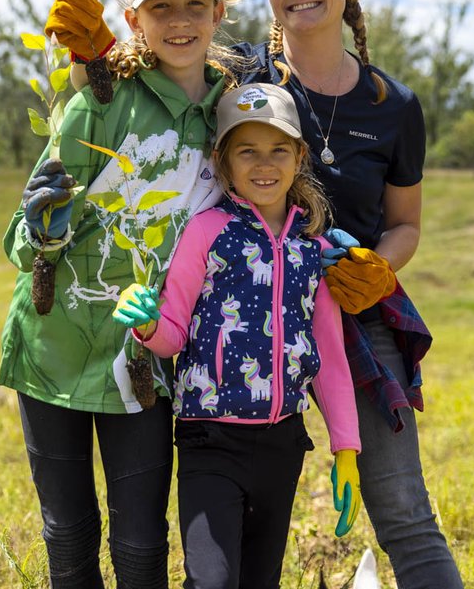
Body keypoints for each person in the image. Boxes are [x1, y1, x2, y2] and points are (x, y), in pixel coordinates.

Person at [0, 0, 240, 588]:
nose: (180, 20)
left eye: (196, 4)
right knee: (68, 532)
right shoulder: (99, 106)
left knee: (140, 542)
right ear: (133, 19)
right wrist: (44, 230)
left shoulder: (230, 118)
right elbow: (21, 244)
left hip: (143, 361)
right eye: (162, 7)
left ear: (220, 14)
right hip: (54, 348)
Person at [249, 0, 464, 588]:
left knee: (404, 512)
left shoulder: (394, 105)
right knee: (249, 517)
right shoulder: (245, 86)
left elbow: (405, 224)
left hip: (358, 317)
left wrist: (378, 267)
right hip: (255, 315)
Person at [112, 82, 361, 589]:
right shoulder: (207, 231)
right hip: (210, 439)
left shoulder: (313, 251)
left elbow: (329, 360)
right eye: (247, 151)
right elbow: (174, 333)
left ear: (298, 158)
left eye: (278, 151)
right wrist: (146, 323)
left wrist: (347, 448)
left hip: (283, 443)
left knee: (259, 581)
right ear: (223, 160)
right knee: (212, 581)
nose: (263, 164)